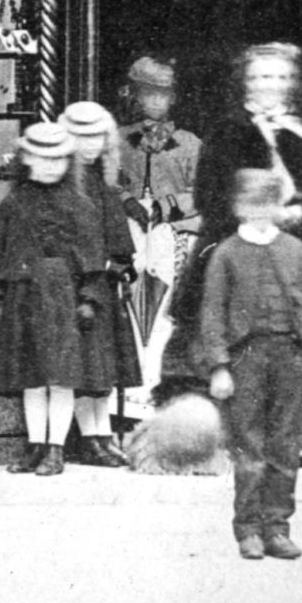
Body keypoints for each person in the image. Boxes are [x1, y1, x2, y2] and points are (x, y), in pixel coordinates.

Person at [161, 42, 302, 394]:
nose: (270, 84)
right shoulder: (227, 131)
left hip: (300, 244)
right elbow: (208, 197)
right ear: (246, 81)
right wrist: (257, 216)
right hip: (233, 243)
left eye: (279, 76)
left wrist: (300, 211)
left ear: (291, 82)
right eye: (262, 76)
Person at [198, 167, 302, 561]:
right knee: (248, 445)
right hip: (246, 359)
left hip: (290, 356)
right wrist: (220, 366)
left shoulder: (294, 250)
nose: (259, 214)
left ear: (279, 207)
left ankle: (277, 527)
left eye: (267, 206)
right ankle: (248, 530)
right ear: (238, 207)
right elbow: (213, 314)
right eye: (250, 206)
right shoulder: (226, 253)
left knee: (286, 445)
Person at [0, 119, 114, 475]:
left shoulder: (79, 204)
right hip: (22, 296)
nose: (49, 166)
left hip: (62, 298)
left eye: (58, 160)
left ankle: (55, 448)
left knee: (60, 377)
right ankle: (35, 445)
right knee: (31, 377)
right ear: (25, 160)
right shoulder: (13, 204)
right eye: (41, 159)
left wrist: (89, 298)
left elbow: (92, 255)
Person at [60, 98, 141, 461]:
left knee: (105, 367)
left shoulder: (105, 181)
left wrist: (121, 263)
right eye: (83, 136)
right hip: (77, 286)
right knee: (85, 366)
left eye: (97, 137)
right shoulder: (63, 184)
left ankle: (103, 433)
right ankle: (89, 438)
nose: (91, 144)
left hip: (106, 284)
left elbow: (117, 233)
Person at [114, 56, 200, 397]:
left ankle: (156, 380)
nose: (155, 102)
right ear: (135, 96)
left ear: (173, 98)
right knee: (131, 302)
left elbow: (202, 190)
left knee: (165, 306)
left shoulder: (190, 143)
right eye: (148, 94)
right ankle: (131, 384)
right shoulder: (118, 141)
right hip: (130, 230)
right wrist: (127, 201)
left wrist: (169, 205)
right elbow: (106, 182)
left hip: (172, 232)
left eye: (163, 95)